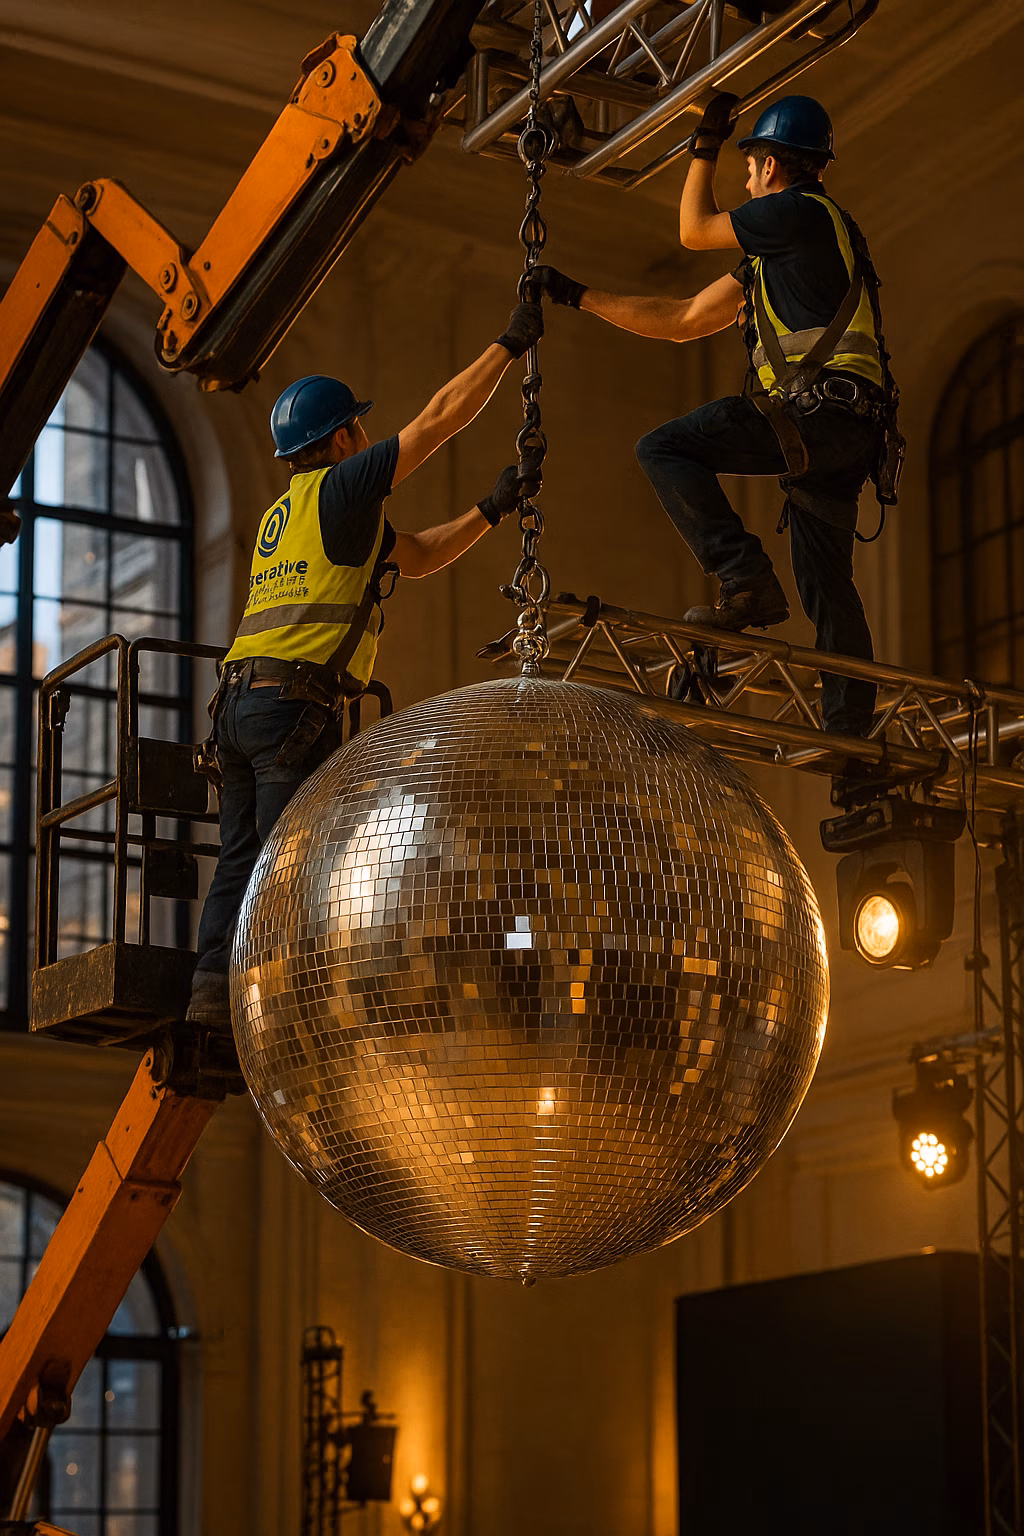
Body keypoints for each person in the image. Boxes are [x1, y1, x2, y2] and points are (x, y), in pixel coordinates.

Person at [186, 300, 544, 1026]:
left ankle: (210, 991)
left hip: (237, 708)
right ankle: (277, 1008)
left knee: (241, 860)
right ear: (343, 437)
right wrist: (509, 345)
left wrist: (491, 507)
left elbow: (419, 555)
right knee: (288, 865)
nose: (370, 439)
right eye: (361, 427)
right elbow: (438, 419)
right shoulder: (344, 489)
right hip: (291, 708)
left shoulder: (290, 515)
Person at [533, 94, 902, 748]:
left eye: (749, 165)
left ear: (770, 165)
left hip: (818, 414)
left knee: (665, 449)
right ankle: (851, 748)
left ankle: (744, 578)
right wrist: (576, 296)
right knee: (827, 589)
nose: (747, 178)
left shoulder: (795, 213)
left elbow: (693, 230)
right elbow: (683, 320)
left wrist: (704, 144)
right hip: (846, 431)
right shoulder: (789, 246)